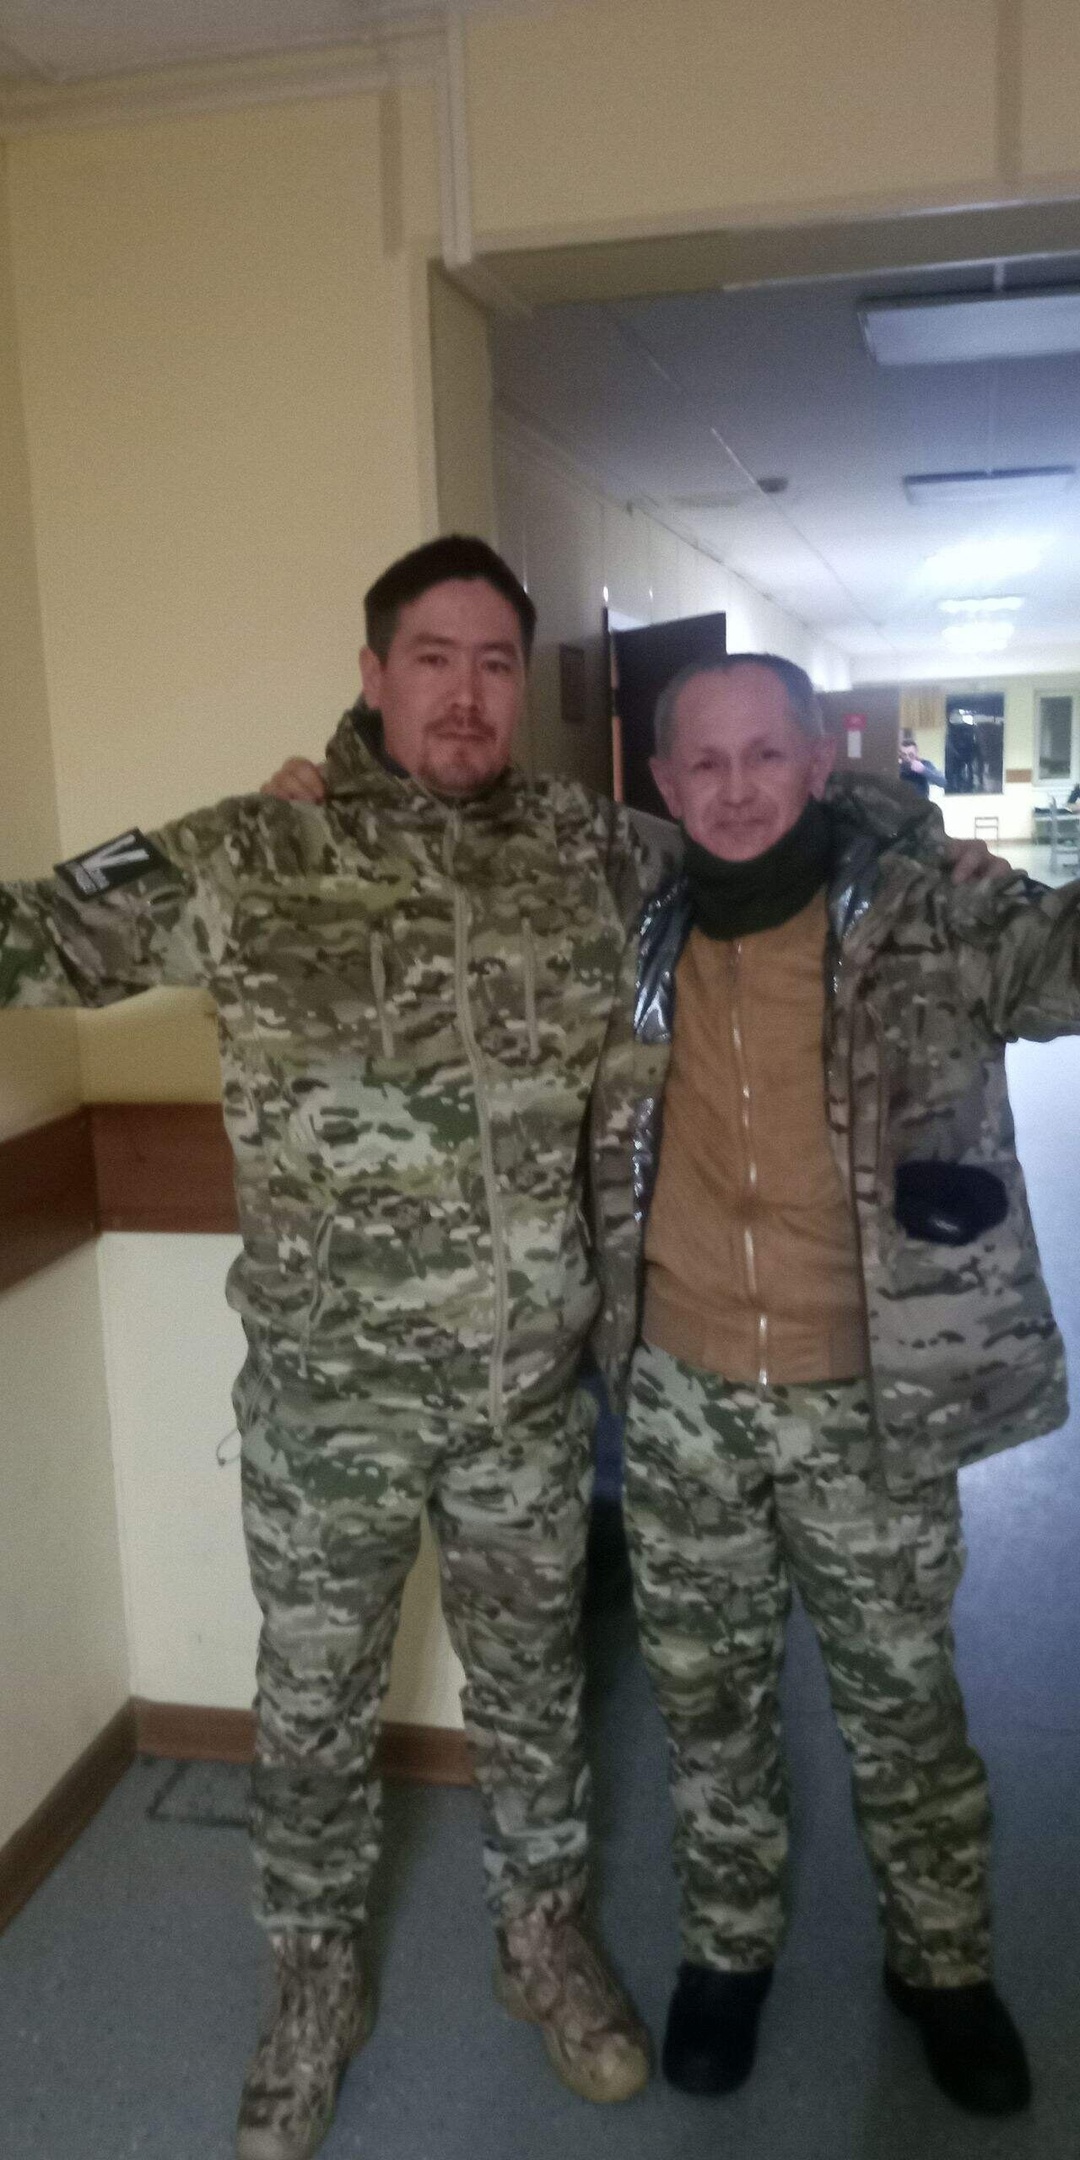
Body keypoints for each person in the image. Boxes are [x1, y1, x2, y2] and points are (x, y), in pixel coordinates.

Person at [0, 536, 659, 2160]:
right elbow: (28, 939)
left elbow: (764, 836)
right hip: (325, 1412)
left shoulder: (591, 852)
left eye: (496, 663)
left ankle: (542, 1939)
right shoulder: (255, 853)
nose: (467, 693)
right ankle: (312, 1986)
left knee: (536, 1689)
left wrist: (906, 835)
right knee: (309, 1708)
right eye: (433, 658)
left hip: (525, 1400)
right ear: (372, 676)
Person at [590, 652, 1079, 2120]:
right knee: (708, 1703)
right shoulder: (626, 922)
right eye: (705, 762)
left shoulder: (931, 912)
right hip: (681, 1398)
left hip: (868, 1396)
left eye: (766, 755)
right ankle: (728, 1952)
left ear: (817, 761)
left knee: (903, 1706)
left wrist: (995, 865)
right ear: (664, 783)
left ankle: (943, 1966)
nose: (737, 788)